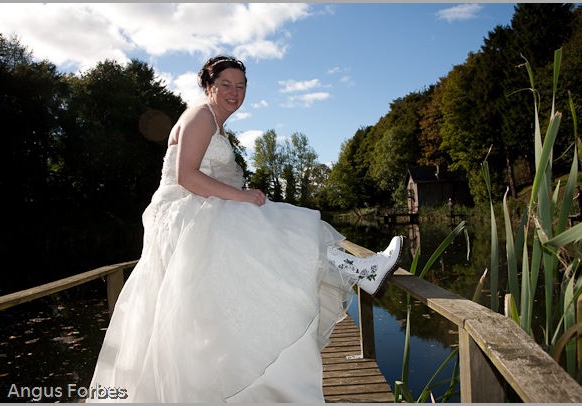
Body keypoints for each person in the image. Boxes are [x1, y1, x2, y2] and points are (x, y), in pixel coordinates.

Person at [87, 55, 405, 403]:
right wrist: (241, 197)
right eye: (226, 84)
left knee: (277, 233)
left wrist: (246, 198)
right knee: (284, 225)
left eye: (240, 86)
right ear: (208, 86)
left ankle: (360, 271)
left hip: (199, 207)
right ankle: (362, 271)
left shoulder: (217, 124)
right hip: (182, 212)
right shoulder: (199, 116)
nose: (234, 92)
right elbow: (186, 176)